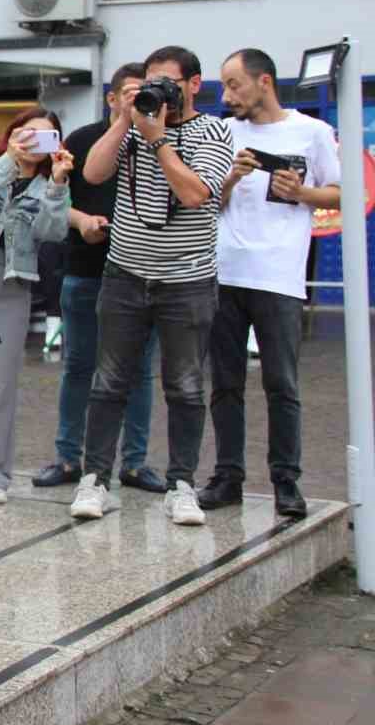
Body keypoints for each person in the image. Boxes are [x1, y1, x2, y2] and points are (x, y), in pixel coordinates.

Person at [71, 46, 234, 525]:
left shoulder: (213, 130)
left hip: (187, 281)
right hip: (124, 275)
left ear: (195, 84)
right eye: (152, 83)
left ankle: (181, 484)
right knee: (108, 382)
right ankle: (95, 479)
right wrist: (125, 119)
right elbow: (93, 172)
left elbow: (195, 193)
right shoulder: (134, 128)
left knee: (184, 386)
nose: (160, 92)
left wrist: (160, 138)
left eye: (169, 82)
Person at [198, 48, 342, 518]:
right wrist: (229, 179)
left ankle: (286, 480)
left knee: (282, 383)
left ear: (264, 82)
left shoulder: (313, 132)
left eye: (235, 83)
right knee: (225, 382)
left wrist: (300, 193)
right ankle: (227, 476)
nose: (229, 94)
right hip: (225, 271)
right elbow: (203, 203)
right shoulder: (224, 133)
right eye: (225, 85)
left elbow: (339, 193)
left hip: (279, 275)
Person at [34, 66, 165, 495]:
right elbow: (53, 198)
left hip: (141, 275)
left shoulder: (157, 139)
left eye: (142, 93)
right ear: (111, 99)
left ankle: (134, 462)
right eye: (128, 93)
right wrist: (82, 220)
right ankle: (69, 456)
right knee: (78, 368)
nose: (134, 101)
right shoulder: (83, 140)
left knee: (141, 372)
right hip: (86, 269)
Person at [0, 107, 72, 504]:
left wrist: (57, 184)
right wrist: (8, 162)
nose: (35, 141)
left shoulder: (47, 186)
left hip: (12, 283)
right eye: (28, 132)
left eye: (46, 136)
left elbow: (52, 233)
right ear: (12, 134)